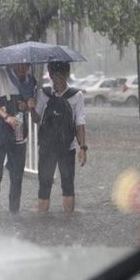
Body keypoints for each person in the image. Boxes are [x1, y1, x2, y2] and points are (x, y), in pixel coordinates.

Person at [31, 61, 87, 214]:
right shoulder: (43, 94)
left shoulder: (77, 95)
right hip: (47, 148)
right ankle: (43, 220)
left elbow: (80, 123)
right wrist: (31, 108)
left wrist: (83, 148)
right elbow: (36, 119)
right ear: (50, 76)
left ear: (67, 75)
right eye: (56, 76)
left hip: (67, 148)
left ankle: (68, 220)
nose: (59, 80)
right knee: (44, 185)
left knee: (68, 185)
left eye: (62, 76)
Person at [0, 63, 36, 213]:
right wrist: (6, 116)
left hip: (19, 133)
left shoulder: (31, 82)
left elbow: (33, 109)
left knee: (17, 175)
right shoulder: (0, 75)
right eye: (19, 64)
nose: (22, 67)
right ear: (13, 62)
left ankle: (14, 212)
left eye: (26, 64)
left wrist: (27, 106)